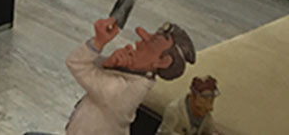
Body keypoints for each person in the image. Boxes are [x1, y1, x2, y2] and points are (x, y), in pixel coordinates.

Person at [63, 17, 196, 135]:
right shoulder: (135, 78)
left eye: (153, 41)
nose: (140, 37)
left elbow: (77, 63)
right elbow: (93, 71)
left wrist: (98, 42)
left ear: (163, 61)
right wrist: (108, 63)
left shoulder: (121, 91)